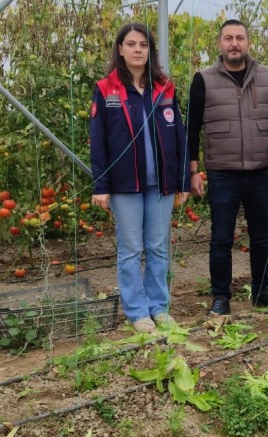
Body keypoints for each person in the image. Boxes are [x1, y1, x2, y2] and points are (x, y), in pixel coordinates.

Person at [89, 23, 190, 333]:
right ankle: (137, 311)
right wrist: (101, 185)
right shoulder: (107, 89)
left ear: (150, 51)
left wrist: (183, 180)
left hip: (160, 184)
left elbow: (180, 137)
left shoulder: (164, 87)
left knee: (158, 247)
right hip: (124, 185)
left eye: (143, 45)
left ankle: (159, 307)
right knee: (131, 248)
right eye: (130, 44)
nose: (137, 50)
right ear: (120, 49)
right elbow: (98, 139)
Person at [187, 20, 268, 315]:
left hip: (258, 172)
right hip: (222, 172)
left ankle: (262, 289)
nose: (234, 43)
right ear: (220, 44)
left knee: (262, 236)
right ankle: (221, 296)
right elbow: (192, 129)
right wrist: (193, 172)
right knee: (221, 238)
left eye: (239, 38)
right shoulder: (203, 79)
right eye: (228, 38)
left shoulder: (266, 76)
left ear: (248, 43)